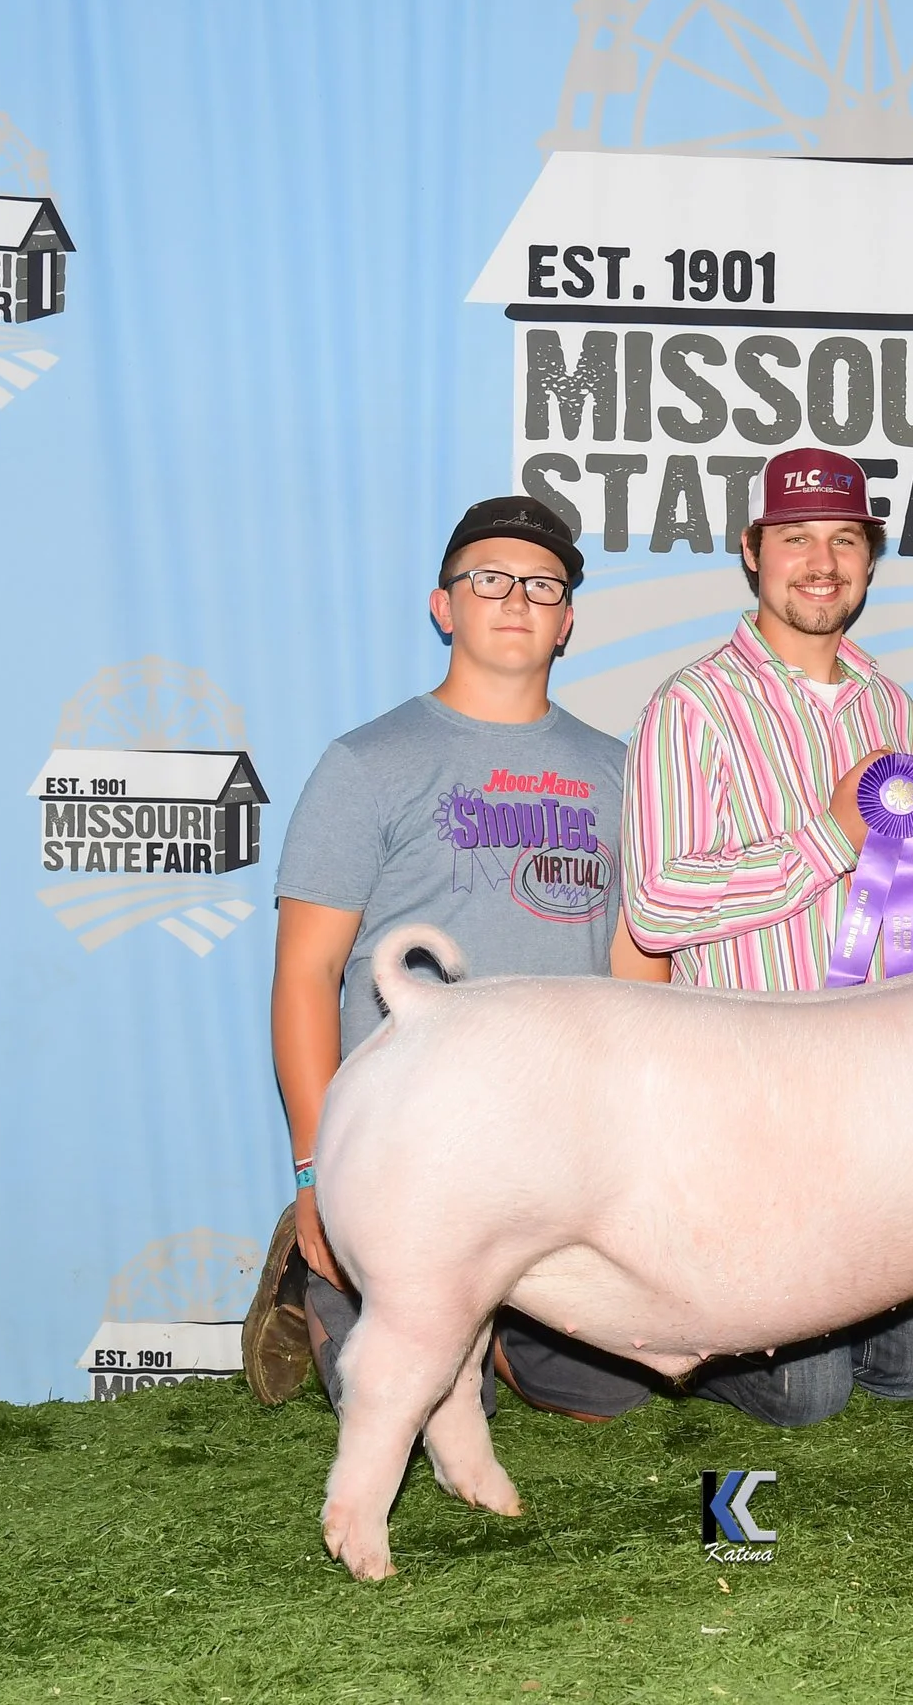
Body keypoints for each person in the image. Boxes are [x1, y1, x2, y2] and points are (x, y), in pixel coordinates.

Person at [244, 496, 664, 1423]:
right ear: (445, 606)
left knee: (615, 1401)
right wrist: (318, 1171)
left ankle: (506, 1316)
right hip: (406, 1149)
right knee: (401, 1399)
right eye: (488, 579)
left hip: (560, 1160)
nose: (514, 598)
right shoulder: (367, 763)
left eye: (541, 585)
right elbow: (307, 973)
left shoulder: (622, 772)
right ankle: (338, 1273)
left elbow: (641, 976)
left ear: (566, 620)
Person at [623, 445, 913, 1427]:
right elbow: (657, 906)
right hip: (748, 1096)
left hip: (874, 1092)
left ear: (868, 556)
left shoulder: (897, 709)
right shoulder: (693, 706)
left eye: (844, 539)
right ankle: (681, 1329)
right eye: (796, 537)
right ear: (751, 550)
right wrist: (827, 836)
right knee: (809, 1394)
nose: (821, 560)